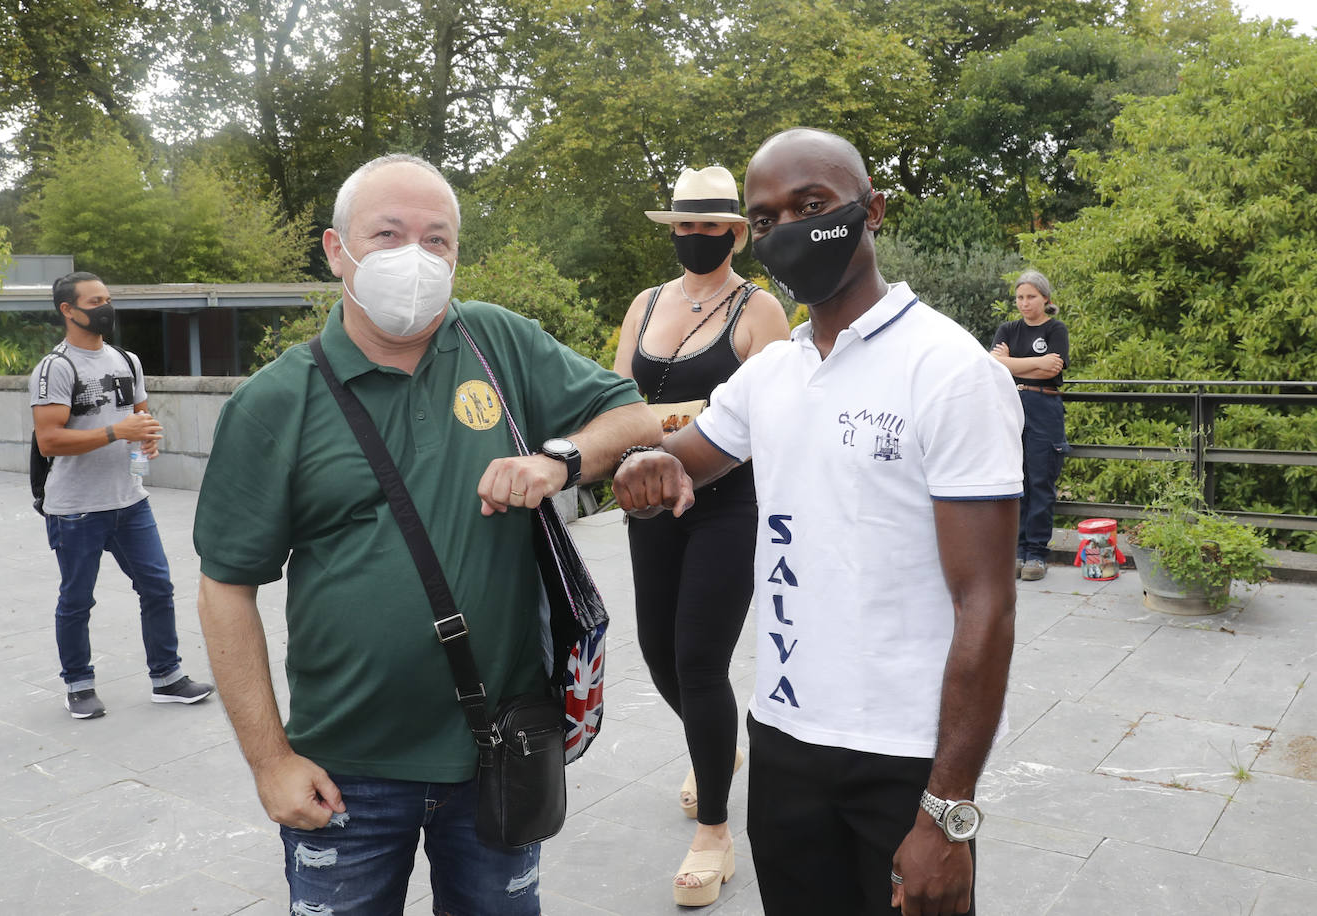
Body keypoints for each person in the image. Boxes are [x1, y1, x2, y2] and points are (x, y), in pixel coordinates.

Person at [193, 153, 660, 916]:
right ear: (336, 249)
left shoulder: (496, 343)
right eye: (388, 233)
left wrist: (557, 461)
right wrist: (269, 761)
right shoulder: (276, 402)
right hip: (344, 773)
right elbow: (225, 588)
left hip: (498, 750)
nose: (415, 256)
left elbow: (630, 413)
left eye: (437, 239)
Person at [613, 128, 1023, 916]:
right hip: (783, 740)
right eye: (766, 219)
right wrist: (648, 464)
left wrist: (948, 811)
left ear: (872, 211)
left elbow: (988, 603)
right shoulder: (774, 371)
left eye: (811, 206)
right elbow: (691, 456)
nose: (788, 229)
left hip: (903, 762)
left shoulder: (950, 371)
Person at [613, 165, 789, 906]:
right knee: (658, 657)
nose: (693, 236)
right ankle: (714, 746)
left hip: (728, 503)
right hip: (651, 501)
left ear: (736, 233)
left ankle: (715, 833)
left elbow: (774, 419)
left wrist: (687, 436)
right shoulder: (646, 304)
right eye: (682, 225)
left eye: (708, 226)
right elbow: (619, 397)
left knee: (697, 657)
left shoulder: (760, 309)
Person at [29, 271, 215, 720]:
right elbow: (49, 440)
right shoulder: (56, 368)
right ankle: (79, 684)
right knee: (77, 599)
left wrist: (147, 438)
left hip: (129, 500)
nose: (105, 309)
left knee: (157, 587)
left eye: (108, 299)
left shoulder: (127, 361)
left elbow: (141, 417)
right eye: (94, 301)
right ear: (68, 311)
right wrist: (116, 431)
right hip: (76, 508)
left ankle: (167, 677)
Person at [990, 270, 1069, 582]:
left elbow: (1053, 370)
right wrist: (1034, 364)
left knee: (1040, 482)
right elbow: (993, 365)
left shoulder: (1055, 329)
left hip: (1044, 408)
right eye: (1020, 297)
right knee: (1014, 482)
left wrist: (1012, 365)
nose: (1024, 303)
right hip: (1009, 407)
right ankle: (1017, 551)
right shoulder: (1008, 329)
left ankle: (1036, 553)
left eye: (1031, 297)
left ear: (1045, 299)